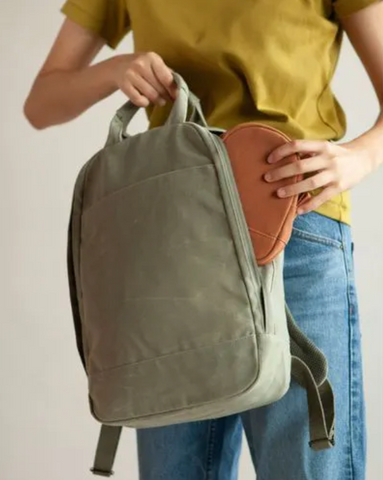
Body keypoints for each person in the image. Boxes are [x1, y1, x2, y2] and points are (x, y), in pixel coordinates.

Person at [24, 1, 383, 479]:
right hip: (173, 248)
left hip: (293, 228)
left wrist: (359, 157)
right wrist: (114, 69)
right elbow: (42, 103)